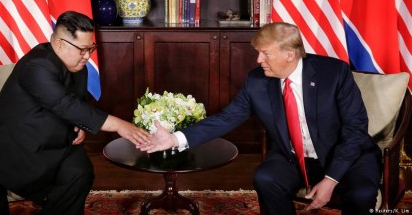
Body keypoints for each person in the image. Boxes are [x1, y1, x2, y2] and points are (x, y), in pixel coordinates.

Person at [138, 22, 382, 215]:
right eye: (258, 53)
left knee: (361, 195)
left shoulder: (334, 73)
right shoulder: (257, 80)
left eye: (265, 54)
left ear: (290, 54)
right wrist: (174, 139)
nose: (258, 60)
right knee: (265, 178)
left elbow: (356, 129)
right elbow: (228, 117)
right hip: (294, 157)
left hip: (346, 155)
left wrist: (330, 180)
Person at [0, 11, 150, 215]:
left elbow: (76, 106)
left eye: (91, 48)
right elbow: (65, 104)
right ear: (59, 44)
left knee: (79, 173)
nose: (87, 56)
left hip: (55, 143)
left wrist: (79, 125)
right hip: (10, 147)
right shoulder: (37, 65)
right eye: (83, 49)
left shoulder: (78, 66)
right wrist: (121, 125)